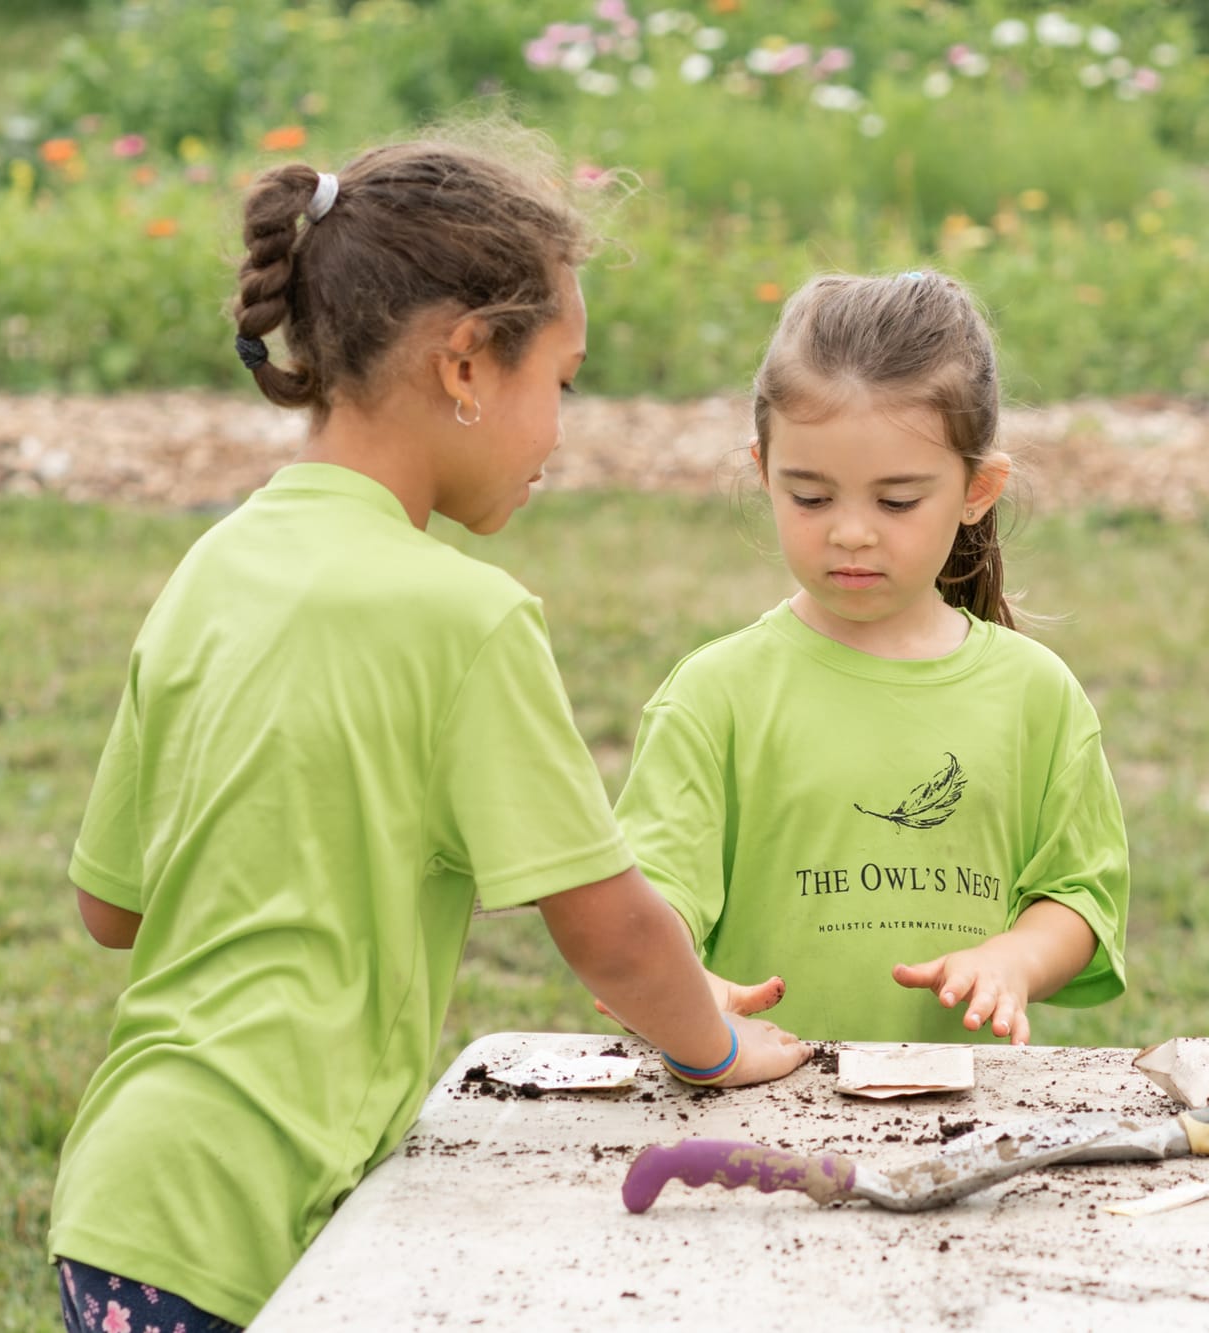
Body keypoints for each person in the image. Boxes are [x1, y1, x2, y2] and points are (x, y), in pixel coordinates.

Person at [48, 130, 808, 1333]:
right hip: (255, 1220)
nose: (560, 430)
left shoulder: (217, 562)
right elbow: (609, 935)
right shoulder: (466, 617)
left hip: (127, 1197)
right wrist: (715, 1044)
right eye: (559, 380)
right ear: (467, 363)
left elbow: (112, 909)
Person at [608, 270, 1129, 1045]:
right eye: (812, 498)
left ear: (977, 489)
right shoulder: (716, 694)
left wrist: (1015, 958)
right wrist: (683, 982)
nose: (851, 533)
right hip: (758, 1115)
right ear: (764, 474)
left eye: (896, 501)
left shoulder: (1036, 694)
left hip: (971, 1123)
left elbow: (1079, 895)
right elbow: (649, 904)